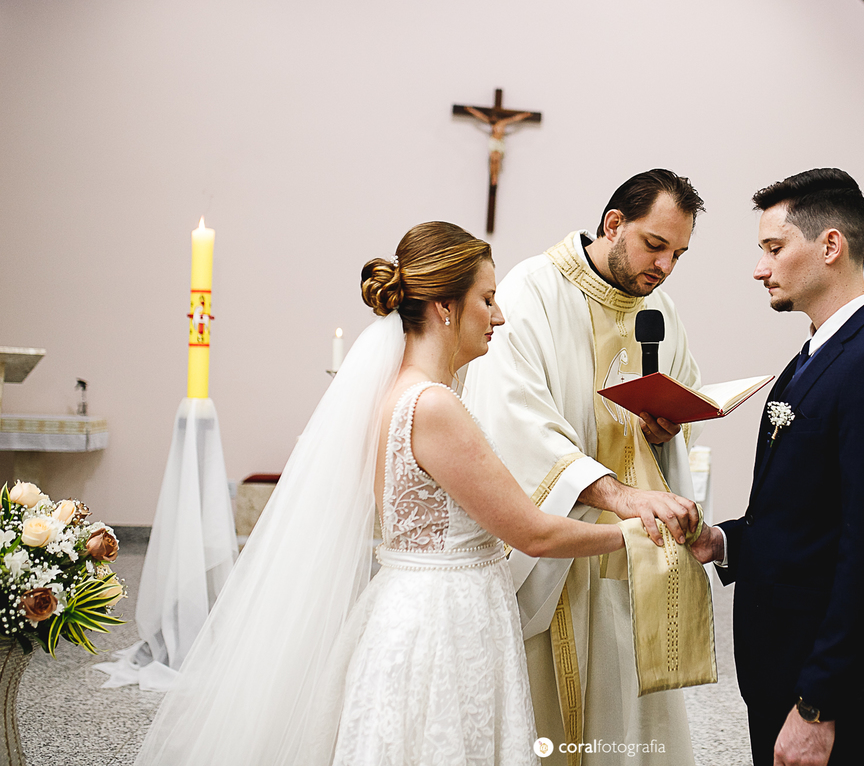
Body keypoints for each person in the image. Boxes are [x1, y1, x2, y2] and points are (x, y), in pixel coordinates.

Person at [135, 222, 639, 766]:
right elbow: (532, 534)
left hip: (415, 604)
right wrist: (636, 535)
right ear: (445, 308)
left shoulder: (400, 394)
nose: (499, 316)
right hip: (444, 620)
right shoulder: (434, 405)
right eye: (487, 299)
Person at [689, 169, 864, 766]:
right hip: (782, 666)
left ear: (830, 246)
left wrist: (818, 706)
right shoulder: (815, 355)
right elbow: (805, 514)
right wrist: (723, 540)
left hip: (831, 690)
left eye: (774, 248)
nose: (760, 268)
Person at [462, 169, 706, 765]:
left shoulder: (659, 308)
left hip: (633, 555)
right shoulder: (533, 291)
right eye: (655, 245)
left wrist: (667, 428)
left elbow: (684, 397)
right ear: (613, 224)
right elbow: (515, 421)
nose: (665, 266)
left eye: (678, 254)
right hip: (561, 550)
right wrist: (617, 495)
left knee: (627, 713)